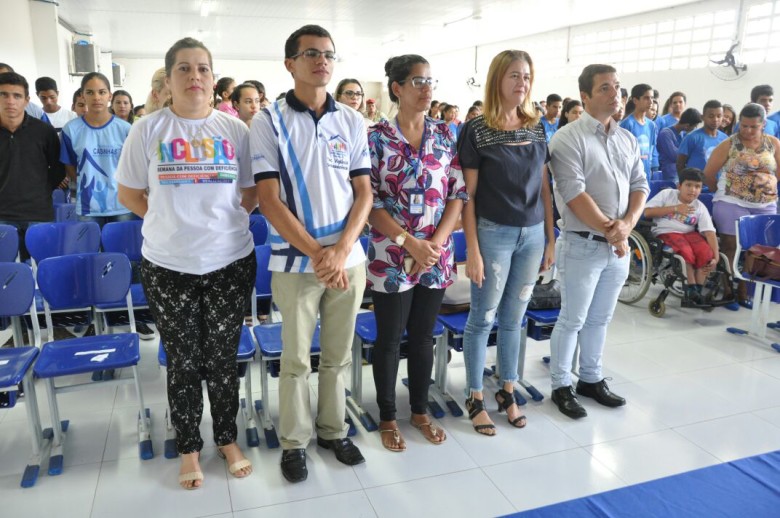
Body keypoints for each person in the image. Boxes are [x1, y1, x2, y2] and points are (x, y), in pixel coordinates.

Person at [116, 37, 258, 490]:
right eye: (183, 69)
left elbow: (253, 193)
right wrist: (168, 221)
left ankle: (227, 438)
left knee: (221, 357)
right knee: (183, 359)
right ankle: (189, 447)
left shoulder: (235, 131)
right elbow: (129, 193)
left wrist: (219, 224)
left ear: (214, 81)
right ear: (169, 80)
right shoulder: (148, 129)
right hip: (167, 264)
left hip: (229, 260)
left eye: (202, 69)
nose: (194, 76)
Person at [250, 24, 372, 483]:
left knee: (339, 357)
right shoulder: (268, 121)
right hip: (294, 264)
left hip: (348, 263)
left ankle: (332, 430)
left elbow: (363, 194)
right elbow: (268, 200)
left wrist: (340, 251)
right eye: (311, 54)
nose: (322, 61)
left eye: (328, 54)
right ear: (290, 64)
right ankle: (295, 442)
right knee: (297, 360)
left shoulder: (352, 120)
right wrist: (321, 255)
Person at [367, 54, 466, 452]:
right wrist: (410, 243)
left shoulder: (445, 134)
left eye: (430, 82)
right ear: (397, 88)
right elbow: (368, 202)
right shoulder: (375, 137)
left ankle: (421, 411)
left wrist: (437, 244)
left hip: (436, 252)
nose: (427, 89)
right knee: (390, 339)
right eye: (418, 82)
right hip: (391, 252)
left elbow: (457, 192)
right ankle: (388, 416)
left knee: (423, 336)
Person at [458, 49, 556, 436]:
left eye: (528, 77)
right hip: (493, 233)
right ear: (498, 79)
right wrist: (473, 251)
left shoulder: (536, 125)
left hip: (532, 235)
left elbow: (544, 186)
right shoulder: (477, 129)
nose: (522, 83)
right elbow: (466, 196)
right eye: (515, 75)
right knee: (482, 319)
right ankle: (475, 394)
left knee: (514, 319)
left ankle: (508, 389)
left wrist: (550, 238)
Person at [548, 64, 649, 419]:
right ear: (586, 96)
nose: (615, 94)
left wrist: (627, 225)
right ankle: (561, 384)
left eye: (617, 87)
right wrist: (614, 230)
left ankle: (590, 378)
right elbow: (574, 193)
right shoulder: (567, 138)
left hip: (618, 245)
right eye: (605, 88)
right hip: (583, 244)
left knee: (600, 319)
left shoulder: (627, 138)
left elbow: (641, 186)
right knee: (572, 319)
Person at [703, 103, 780, 307]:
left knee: (757, 249)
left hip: (765, 204)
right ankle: (728, 288)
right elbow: (709, 173)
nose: (746, 131)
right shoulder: (729, 144)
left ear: (763, 124)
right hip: (731, 201)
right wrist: (722, 192)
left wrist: (769, 188)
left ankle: (745, 288)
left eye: (752, 127)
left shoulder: (773, 143)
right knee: (731, 245)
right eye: (743, 125)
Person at [0, 72, 65, 260]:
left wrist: (41, 191)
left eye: (17, 96)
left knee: (42, 267)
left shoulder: (43, 131)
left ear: (27, 100)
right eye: (3, 94)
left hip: (38, 212)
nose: (10, 101)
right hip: (2, 215)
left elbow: (58, 168)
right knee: (7, 274)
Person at [60, 72, 134, 227]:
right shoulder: (71, 129)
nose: (96, 97)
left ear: (109, 96)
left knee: (121, 250)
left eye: (102, 92)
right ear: (82, 96)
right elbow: (70, 166)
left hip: (122, 205)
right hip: (88, 207)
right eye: (90, 92)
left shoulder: (125, 129)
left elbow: (133, 167)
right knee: (90, 250)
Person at [643, 168, 718, 303]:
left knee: (705, 252)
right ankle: (690, 289)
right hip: (666, 232)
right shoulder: (667, 194)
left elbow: (709, 232)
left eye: (697, 187)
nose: (693, 190)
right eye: (688, 185)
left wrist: (716, 257)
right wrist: (675, 208)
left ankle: (697, 292)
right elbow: (647, 213)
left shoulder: (699, 206)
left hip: (689, 234)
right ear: (679, 186)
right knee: (685, 252)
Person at [676, 100, 726, 174]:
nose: (715, 120)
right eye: (711, 116)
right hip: (697, 184)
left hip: (717, 184)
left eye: (719, 116)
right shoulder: (692, 137)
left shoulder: (725, 139)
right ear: (703, 117)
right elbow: (680, 164)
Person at [620, 83, 656, 178]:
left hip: (646, 172)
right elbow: (622, 154)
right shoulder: (627, 124)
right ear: (635, 100)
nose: (650, 102)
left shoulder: (651, 125)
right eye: (646, 98)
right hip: (631, 174)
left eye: (652, 98)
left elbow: (650, 151)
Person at [657, 108, 702, 181]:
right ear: (687, 126)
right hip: (671, 175)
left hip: (681, 174)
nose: (695, 129)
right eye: (694, 126)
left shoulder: (683, 134)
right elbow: (675, 156)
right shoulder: (665, 134)